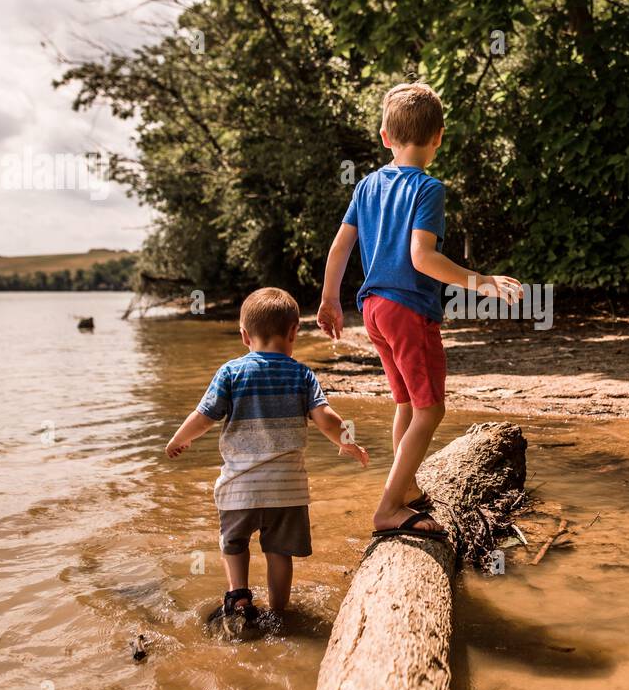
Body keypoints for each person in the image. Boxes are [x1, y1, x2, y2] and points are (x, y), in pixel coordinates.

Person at [317, 82, 520, 539]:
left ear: (385, 136)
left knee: (407, 402)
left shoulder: (367, 185)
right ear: (439, 138)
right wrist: (482, 282)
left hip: (371, 309)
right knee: (431, 410)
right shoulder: (428, 189)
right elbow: (422, 258)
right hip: (408, 310)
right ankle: (390, 505)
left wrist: (330, 300)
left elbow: (340, 247)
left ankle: (405, 487)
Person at [165, 287, 368, 622]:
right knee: (279, 553)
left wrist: (179, 438)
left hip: (239, 489)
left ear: (245, 336)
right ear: (293, 332)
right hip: (287, 492)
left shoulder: (231, 372)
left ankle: (239, 599)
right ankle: (278, 613)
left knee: (234, 544)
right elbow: (326, 419)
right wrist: (348, 442)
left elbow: (203, 417)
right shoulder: (301, 374)